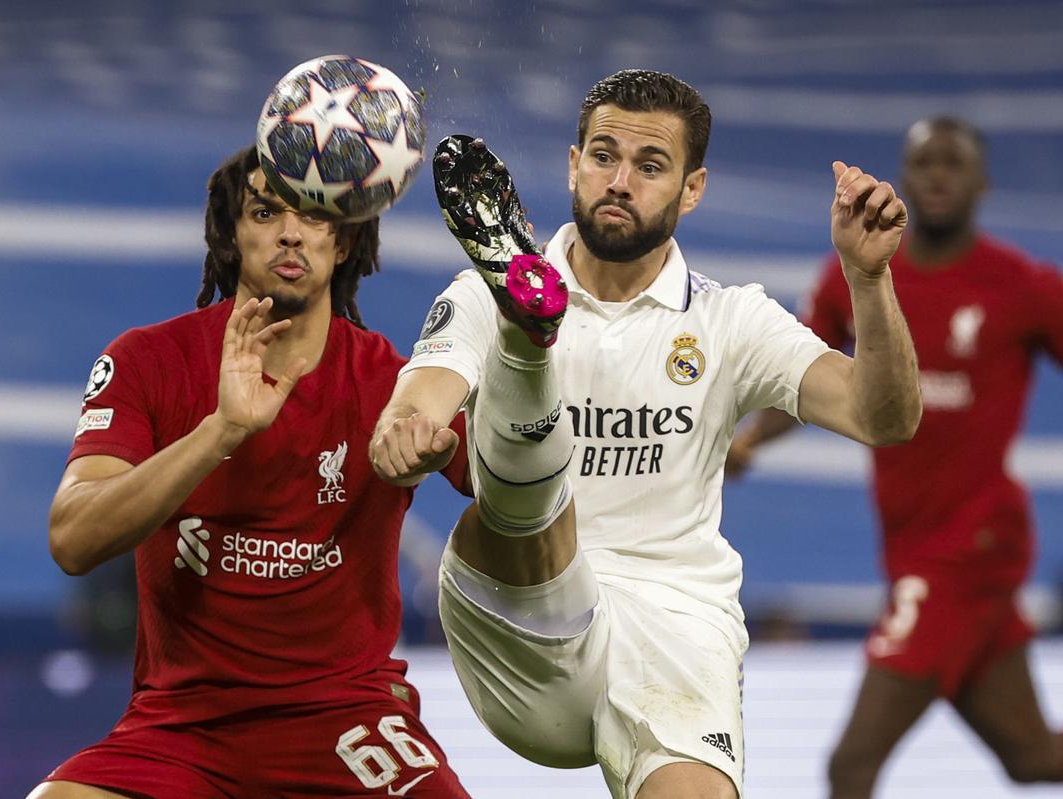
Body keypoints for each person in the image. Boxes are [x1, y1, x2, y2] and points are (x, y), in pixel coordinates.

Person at [369, 69, 921, 799]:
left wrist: (869, 279)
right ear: (573, 165)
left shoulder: (730, 320)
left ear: (692, 189)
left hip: (677, 633)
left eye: (651, 165)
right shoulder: (476, 291)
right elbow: (417, 403)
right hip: (521, 622)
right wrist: (405, 433)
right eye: (603, 156)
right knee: (533, 503)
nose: (620, 180)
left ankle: (527, 337)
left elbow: (882, 416)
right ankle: (528, 333)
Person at [27, 145, 473, 799]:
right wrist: (221, 432)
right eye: (265, 210)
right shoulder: (150, 361)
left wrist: (510, 369)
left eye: (315, 214)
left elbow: (521, 493)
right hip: (183, 731)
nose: (290, 231)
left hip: (347, 720)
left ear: (345, 241)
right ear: (232, 234)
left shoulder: (394, 383)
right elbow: (72, 537)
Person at [727, 116, 1063, 796]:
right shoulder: (861, 273)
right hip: (914, 547)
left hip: (968, 548)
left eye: (953, 162)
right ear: (904, 178)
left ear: (982, 181)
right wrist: (752, 440)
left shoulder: (1021, 286)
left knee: (851, 766)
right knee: (1031, 756)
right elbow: (805, 371)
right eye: (924, 163)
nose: (937, 175)